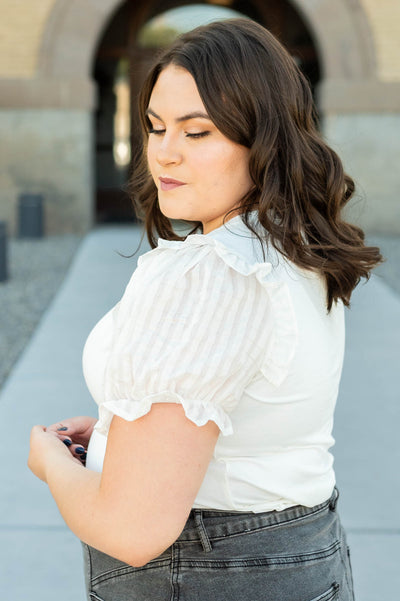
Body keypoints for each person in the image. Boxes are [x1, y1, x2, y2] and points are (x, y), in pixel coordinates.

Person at [28, 18, 382, 601]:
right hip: (301, 555)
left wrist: (51, 463)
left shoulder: (213, 272)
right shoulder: (288, 245)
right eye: (155, 127)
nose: (165, 153)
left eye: (199, 133)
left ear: (262, 138)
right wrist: (123, 433)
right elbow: (257, 421)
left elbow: (131, 530)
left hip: (205, 571)